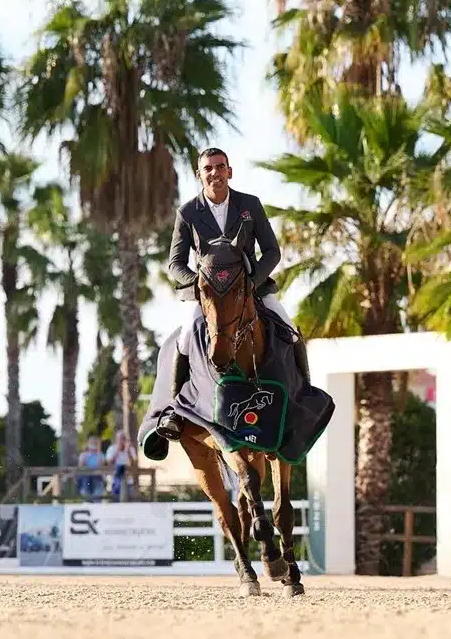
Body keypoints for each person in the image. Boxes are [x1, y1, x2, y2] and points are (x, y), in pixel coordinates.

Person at [165, 147, 310, 382]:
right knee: (186, 336)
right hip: (207, 294)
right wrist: (202, 286)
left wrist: (253, 281)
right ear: (198, 174)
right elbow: (175, 263)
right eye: (208, 168)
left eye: (220, 167)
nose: (215, 173)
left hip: (251, 286)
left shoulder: (250, 204)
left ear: (229, 171)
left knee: (289, 327)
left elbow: (272, 251)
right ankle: (175, 408)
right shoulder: (187, 213)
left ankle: (305, 391)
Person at [106, 430, 137, 500]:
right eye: (120, 438)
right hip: (114, 480)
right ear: (116, 439)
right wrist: (117, 451)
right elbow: (109, 462)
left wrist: (127, 451)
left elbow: (134, 464)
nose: (122, 441)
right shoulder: (112, 449)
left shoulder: (130, 449)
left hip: (128, 480)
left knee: (129, 499)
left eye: (124, 438)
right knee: (115, 500)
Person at [76, 435, 106, 500]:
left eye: (95, 443)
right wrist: (87, 455)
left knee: (97, 498)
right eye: (92, 443)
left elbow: (101, 466)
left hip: (98, 479)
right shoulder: (83, 455)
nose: (93, 444)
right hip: (86, 479)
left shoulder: (101, 455)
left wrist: (98, 451)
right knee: (86, 498)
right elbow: (81, 467)